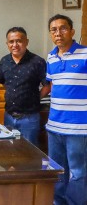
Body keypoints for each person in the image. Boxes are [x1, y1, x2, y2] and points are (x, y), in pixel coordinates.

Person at [45, 14, 87, 205]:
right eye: (54, 30)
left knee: (78, 173)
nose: (58, 33)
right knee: (57, 171)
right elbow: (53, 86)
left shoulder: (85, 54)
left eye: (63, 28)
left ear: (72, 31)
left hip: (78, 128)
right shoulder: (51, 57)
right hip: (54, 126)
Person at [0, 27, 50, 146]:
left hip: (29, 119)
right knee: (10, 151)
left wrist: (36, 98)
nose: (15, 45)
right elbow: (3, 83)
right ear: (7, 44)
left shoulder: (37, 61)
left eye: (19, 41)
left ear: (26, 42)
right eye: (11, 42)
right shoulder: (4, 61)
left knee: (30, 154)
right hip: (9, 116)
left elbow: (47, 86)